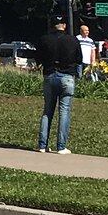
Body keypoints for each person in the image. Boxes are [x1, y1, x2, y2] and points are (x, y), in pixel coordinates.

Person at [36, 17, 83, 154]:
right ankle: (61, 146)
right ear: (64, 25)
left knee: (47, 111)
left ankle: (42, 145)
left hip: (50, 75)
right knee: (64, 111)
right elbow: (79, 59)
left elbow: (38, 58)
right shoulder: (73, 40)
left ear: (53, 25)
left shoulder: (44, 39)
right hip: (67, 77)